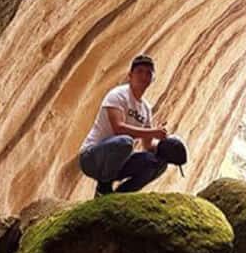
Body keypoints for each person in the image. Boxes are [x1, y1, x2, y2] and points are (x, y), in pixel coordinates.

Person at [79, 54, 187, 197]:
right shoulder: (118, 95)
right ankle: (103, 188)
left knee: (158, 163)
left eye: (148, 73)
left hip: (118, 162)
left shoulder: (146, 109)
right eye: (139, 71)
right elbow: (118, 129)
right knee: (125, 142)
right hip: (92, 158)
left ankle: (118, 197)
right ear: (130, 75)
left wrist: (166, 146)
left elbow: (148, 145)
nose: (143, 76)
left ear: (152, 79)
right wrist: (153, 132)